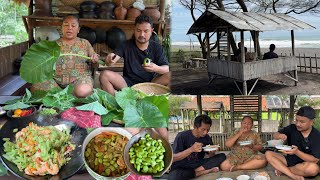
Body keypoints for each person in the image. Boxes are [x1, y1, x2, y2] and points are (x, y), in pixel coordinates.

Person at [100, 15, 170, 96]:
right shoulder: (125, 45)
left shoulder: (157, 47)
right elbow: (113, 58)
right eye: (138, 30)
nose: (142, 34)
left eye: (146, 31)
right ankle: (115, 106)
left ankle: (155, 100)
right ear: (134, 30)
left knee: (171, 76)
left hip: (149, 85)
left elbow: (166, 69)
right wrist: (110, 59)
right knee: (104, 75)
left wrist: (155, 68)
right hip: (128, 85)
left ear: (151, 31)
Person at [31, 14, 99, 98]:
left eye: (73, 25)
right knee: (36, 86)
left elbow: (95, 63)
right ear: (61, 28)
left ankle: (61, 96)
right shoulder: (53, 44)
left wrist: (95, 59)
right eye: (66, 25)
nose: (69, 28)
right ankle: (63, 95)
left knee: (82, 90)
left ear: (78, 29)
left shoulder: (85, 43)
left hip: (79, 80)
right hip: (56, 82)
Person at [265, 106, 320, 180]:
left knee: (313, 169)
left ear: (312, 122)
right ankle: (292, 175)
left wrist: (297, 152)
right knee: (268, 153)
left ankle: (283, 171)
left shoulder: (317, 136)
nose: (297, 124)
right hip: (289, 160)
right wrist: (279, 135)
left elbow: (315, 160)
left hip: (305, 165)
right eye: (296, 120)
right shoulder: (292, 128)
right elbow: (275, 134)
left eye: (302, 122)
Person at [169, 115, 226, 180]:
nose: (206, 132)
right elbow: (173, 158)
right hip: (183, 165)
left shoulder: (206, 137)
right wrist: (191, 149)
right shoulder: (182, 136)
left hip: (198, 163)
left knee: (222, 156)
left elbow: (211, 157)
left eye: (208, 129)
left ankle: (193, 172)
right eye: (203, 129)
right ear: (195, 127)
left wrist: (212, 152)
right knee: (174, 176)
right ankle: (204, 172)